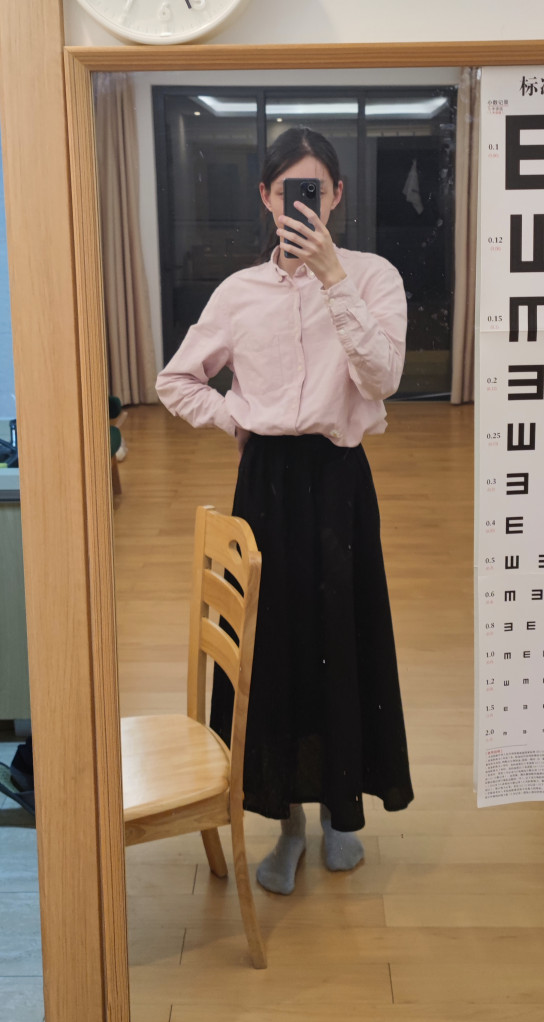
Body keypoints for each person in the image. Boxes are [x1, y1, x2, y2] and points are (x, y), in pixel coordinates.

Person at [156, 126, 414, 896]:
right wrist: (235, 420)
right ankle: (287, 820)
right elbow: (176, 381)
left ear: (337, 195)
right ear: (267, 197)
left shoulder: (374, 277)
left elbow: (384, 378)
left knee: (342, 640)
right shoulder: (239, 292)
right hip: (263, 483)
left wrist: (333, 279)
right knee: (269, 649)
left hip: (339, 481)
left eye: (316, 190)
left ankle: (339, 810)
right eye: (287, 191)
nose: (302, 203)